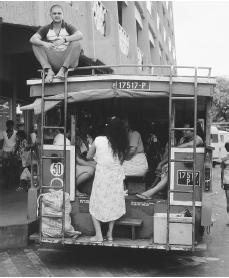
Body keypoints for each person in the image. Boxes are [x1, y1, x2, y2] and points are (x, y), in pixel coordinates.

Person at [87, 117, 129, 242]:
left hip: (102, 176)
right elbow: (121, 161)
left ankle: (99, 235)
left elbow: (89, 156)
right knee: (113, 204)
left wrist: (91, 143)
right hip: (115, 177)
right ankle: (110, 234)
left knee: (94, 204)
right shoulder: (122, 144)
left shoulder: (99, 140)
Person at [136, 122, 204, 200]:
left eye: (186, 130)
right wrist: (162, 163)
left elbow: (187, 146)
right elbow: (175, 154)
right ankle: (152, 190)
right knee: (164, 167)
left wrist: (174, 148)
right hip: (180, 164)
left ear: (193, 131)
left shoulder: (198, 139)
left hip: (191, 167)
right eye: (183, 130)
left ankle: (151, 192)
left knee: (170, 172)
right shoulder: (183, 139)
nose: (183, 131)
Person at [30, 4, 83, 83]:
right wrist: (44, 43)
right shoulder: (46, 28)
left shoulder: (68, 26)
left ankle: (63, 70)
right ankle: (49, 71)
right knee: (36, 45)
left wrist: (65, 39)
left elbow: (80, 35)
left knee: (77, 43)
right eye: (54, 13)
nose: (57, 15)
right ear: (50, 15)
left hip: (68, 60)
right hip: (54, 59)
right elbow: (32, 39)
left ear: (63, 14)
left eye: (59, 13)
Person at [1, 120, 17, 189]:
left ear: (13, 126)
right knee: (4, 168)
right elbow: (1, 142)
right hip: (5, 152)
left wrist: (15, 151)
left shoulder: (16, 133)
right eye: (8, 125)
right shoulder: (3, 132)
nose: (10, 127)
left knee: (11, 168)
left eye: (11, 125)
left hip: (12, 152)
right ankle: (6, 182)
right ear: (6, 126)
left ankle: (10, 182)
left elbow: (17, 142)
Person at [221, 142, 229, 225]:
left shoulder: (224, 159)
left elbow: (222, 172)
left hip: (227, 181)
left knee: (228, 201)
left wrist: (221, 182)